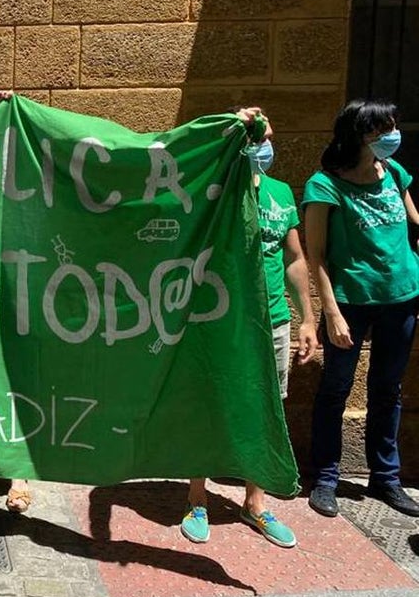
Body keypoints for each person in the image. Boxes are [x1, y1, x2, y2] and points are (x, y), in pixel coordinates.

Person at [179, 120, 318, 547]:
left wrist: (306, 318)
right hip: (221, 321)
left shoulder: (280, 194)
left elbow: (294, 259)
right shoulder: (215, 190)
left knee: (266, 407)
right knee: (209, 403)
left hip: (273, 321)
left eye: (270, 139)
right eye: (260, 139)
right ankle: (196, 497)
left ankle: (255, 502)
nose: (268, 146)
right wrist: (237, 123)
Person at [303, 99, 419, 519]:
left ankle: (386, 478)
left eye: (393, 125)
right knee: (335, 389)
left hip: (402, 298)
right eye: (381, 128)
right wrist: (330, 312)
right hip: (351, 301)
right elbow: (314, 255)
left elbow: (415, 224)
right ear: (358, 134)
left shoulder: (395, 172)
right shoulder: (325, 185)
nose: (392, 135)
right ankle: (326, 478)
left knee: (388, 390)